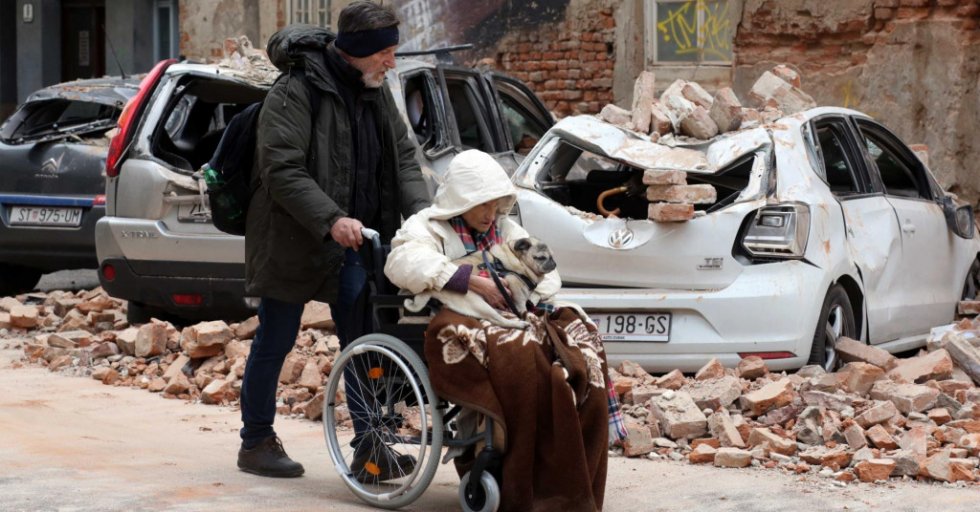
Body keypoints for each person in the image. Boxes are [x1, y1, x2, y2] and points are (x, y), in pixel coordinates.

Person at [237, 1, 429, 478]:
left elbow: (404, 159)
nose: (391, 62)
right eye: (385, 52)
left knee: (363, 341)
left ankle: (370, 449)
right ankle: (256, 441)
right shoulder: (296, 90)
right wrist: (330, 218)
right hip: (294, 237)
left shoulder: (375, 91)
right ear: (358, 51)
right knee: (276, 337)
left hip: (356, 242)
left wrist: (425, 219)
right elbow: (281, 169)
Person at [384, 150, 611, 512]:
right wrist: (471, 281)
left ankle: (566, 477)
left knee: (584, 347)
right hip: (454, 319)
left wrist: (527, 293)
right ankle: (526, 476)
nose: (491, 215)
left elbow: (546, 269)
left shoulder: (504, 228)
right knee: (524, 357)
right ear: (461, 201)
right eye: (482, 207)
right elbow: (402, 264)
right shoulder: (426, 226)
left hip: (511, 315)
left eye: (496, 205)